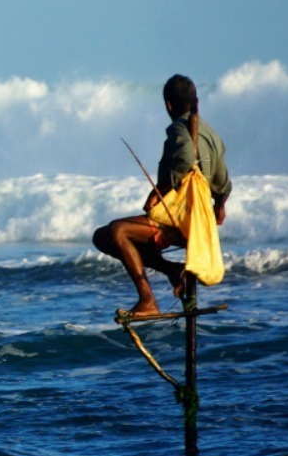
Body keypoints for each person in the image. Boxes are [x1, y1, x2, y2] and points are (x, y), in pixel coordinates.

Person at [92, 75, 231, 317]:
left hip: (178, 220)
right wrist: (219, 208)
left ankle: (147, 299)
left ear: (168, 105)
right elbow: (223, 184)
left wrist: (158, 193)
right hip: (199, 223)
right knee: (103, 237)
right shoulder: (213, 136)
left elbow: (186, 159)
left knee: (117, 231)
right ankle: (172, 270)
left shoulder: (180, 128)